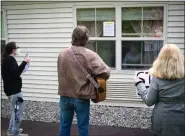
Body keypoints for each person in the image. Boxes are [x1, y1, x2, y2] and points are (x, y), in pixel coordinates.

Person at [57, 25, 110, 136]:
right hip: (81, 97)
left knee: (64, 126)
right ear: (86, 39)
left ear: (73, 37)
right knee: (83, 127)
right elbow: (106, 72)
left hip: (64, 96)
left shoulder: (62, 54)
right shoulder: (89, 55)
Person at [134, 44, 184, 136]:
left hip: (163, 119)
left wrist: (139, 84)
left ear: (161, 59)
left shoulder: (157, 78)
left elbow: (149, 101)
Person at [1, 42, 30, 136]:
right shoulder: (10, 59)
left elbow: (13, 73)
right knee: (18, 113)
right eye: (17, 48)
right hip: (16, 93)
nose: (18, 49)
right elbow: (16, 73)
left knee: (15, 111)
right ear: (13, 50)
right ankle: (15, 133)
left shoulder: (7, 59)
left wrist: (23, 64)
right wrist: (25, 62)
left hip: (11, 91)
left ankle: (11, 130)